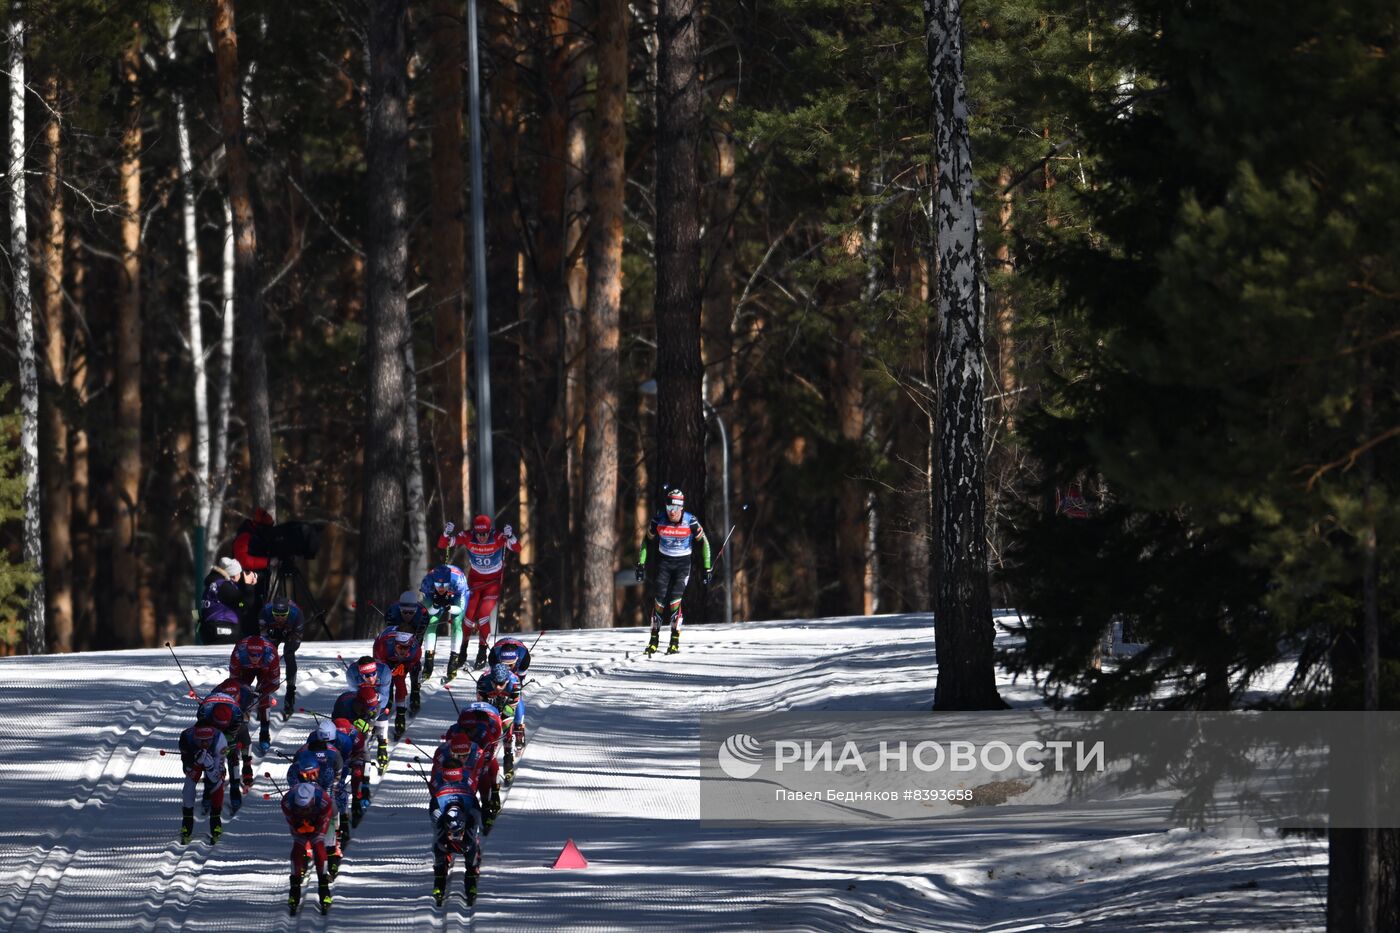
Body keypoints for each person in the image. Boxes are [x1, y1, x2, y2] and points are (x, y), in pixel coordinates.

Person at [636, 488, 711, 655]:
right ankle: (653, 641)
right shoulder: (658, 520)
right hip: (664, 563)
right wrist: (641, 563)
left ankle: (674, 642)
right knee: (659, 600)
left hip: (683, 564)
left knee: (675, 601)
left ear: (682, 508)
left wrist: (707, 567)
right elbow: (646, 541)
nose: (672, 513)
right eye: (669, 508)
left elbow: (704, 542)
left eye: (676, 509)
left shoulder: (690, 521)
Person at [439, 516, 521, 670]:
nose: (481, 537)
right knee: (468, 615)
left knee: (483, 615)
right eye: (478, 534)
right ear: (474, 532)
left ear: (489, 532)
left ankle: (482, 652)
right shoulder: (468, 536)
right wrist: (446, 534)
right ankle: (462, 651)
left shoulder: (497, 537)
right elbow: (443, 544)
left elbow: (517, 548)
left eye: (484, 534)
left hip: (493, 583)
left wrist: (511, 536)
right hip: (475, 581)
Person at [429, 757, 484, 906]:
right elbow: (476, 813)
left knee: (440, 841)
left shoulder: (438, 793)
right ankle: (470, 876)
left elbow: (434, 816)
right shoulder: (468, 791)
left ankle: (440, 877)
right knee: (469, 845)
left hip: (449, 815)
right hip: (460, 820)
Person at [445, 702, 505, 828]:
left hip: (491, 727)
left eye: (470, 730)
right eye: (463, 730)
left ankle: (490, 798)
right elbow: (447, 754)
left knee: (485, 769)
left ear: (476, 727)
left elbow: (486, 760)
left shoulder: (487, 732)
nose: (467, 733)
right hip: (466, 746)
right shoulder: (452, 732)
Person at [281, 781, 334, 915]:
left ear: (313, 801)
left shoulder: (325, 801)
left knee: (319, 847)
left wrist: (315, 827)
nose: (303, 812)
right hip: (298, 824)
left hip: (318, 821)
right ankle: (294, 888)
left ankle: (324, 887)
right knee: (297, 851)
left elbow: (325, 820)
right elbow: (291, 821)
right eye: (299, 809)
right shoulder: (286, 802)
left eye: (306, 808)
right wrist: (298, 825)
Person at [178, 723, 228, 844]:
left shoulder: (220, 740)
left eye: (207, 741)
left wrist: (210, 767)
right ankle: (186, 825)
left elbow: (216, 778)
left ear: (212, 738)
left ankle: (216, 824)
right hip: (194, 757)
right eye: (200, 741)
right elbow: (188, 771)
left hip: (215, 756)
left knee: (217, 787)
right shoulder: (186, 737)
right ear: (194, 738)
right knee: (188, 788)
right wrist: (195, 763)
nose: (204, 744)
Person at [230, 634, 280, 754]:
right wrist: (247, 693)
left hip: (265, 670)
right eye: (251, 655)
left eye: (258, 655)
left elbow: (275, 683)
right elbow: (234, 682)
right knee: (242, 699)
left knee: (263, 699)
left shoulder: (271, 655)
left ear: (263, 652)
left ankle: (264, 734)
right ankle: (240, 733)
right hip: (245, 669)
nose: (254, 658)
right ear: (246, 651)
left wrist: (260, 694)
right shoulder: (238, 654)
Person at [418, 564, 469, 681]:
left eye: (444, 585)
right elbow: (427, 612)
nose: (441, 588)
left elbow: (460, 609)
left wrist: (448, 607)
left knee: (456, 622)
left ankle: (453, 661)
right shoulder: (427, 583)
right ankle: (428, 662)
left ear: (449, 582)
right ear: (434, 582)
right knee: (431, 623)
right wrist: (435, 606)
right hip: (433, 594)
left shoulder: (458, 582)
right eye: (438, 585)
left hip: (457, 594)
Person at [259, 596, 304, 721]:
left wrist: (288, 635)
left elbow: (297, 638)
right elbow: (264, 638)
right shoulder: (265, 612)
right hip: (272, 632)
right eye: (276, 615)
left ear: (288, 612)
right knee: (268, 657)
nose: (279, 618)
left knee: (289, 654)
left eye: (283, 615)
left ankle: (290, 692)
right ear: (271, 612)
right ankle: (263, 692)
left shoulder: (297, 615)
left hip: (291, 632)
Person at [347, 655, 394, 772]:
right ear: (361, 674)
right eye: (367, 676)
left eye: (373, 673)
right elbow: (355, 697)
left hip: (379, 696)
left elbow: (384, 699)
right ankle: (359, 748)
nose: (371, 678)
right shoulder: (352, 673)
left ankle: (382, 744)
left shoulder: (384, 672)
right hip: (363, 697)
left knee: (381, 712)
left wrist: (374, 715)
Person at [373, 628, 422, 739]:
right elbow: (380, 670)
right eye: (400, 647)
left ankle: (413, 696)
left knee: (401, 680)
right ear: (394, 644)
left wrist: (403, 667)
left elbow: (413, 664)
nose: (403, 651)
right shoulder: (382, 646)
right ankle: (384, 703)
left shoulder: (416, 650)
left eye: (406, 648)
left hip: (404, 662)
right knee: (384, 680)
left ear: (411, 645)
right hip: (384, 657)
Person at [233, 507, 276, 635]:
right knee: (249, 612)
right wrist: (267, 562)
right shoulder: (245, 536)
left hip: (258, 584)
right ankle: (249, 637)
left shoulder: (257, 537)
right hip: (246, 586)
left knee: (258, 609)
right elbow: (243, 560)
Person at [476, 663, 522, 783]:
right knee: (486, 724)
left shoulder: (515, 683)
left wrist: (504, 714)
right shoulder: (482, 682)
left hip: (507, 703)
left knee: (507, 724)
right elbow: (482, 705)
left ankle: (508, 758)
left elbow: (512, 707)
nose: (498, 687)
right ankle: (484, 756)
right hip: (489, 703)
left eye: (501, 684)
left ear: (507, 681)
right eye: (495, 683)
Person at [487, 636, 530, 751]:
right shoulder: (493, 656)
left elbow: (519, 679)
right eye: (504, 665)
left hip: (520, 666)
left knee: (516, 692)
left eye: (510, 665)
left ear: (516, 660)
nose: (508, 669)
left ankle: (519, 727)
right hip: (498, 655)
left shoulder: (524, 657)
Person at [198, 558, 248, 645]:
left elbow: (194, 610)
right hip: (224, 630)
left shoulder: (210, 586)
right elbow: (242, 604)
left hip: (207, 630)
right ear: (234, 575)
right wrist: (249, 587)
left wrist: (198, 625)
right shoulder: (224, 586)